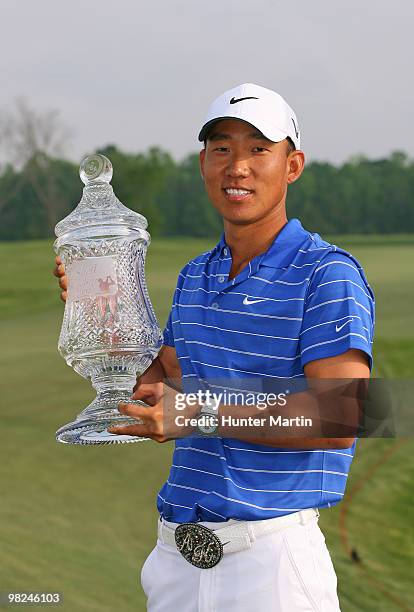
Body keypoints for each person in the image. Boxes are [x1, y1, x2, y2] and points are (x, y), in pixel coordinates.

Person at [54, 83, 375, 611]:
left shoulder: (327, 273)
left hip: (269, 568)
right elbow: (151, 392)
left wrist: (200, 411)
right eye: (222, 149)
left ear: (292, 165)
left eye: (258, 149)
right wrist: (96, 305)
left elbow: (343, 416)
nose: (237, 167)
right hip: (175, 562)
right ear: (204, 162)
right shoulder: (196, 276)